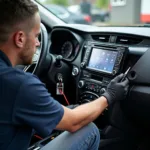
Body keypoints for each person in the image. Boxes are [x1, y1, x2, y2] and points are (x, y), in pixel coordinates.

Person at [0, 0, 129, 150]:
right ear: (20, 38)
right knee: (88, 129)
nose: (38, 43)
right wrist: (109, 95)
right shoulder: (19, 85)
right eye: (36, 36)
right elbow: (73, 123)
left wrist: (68, 112)